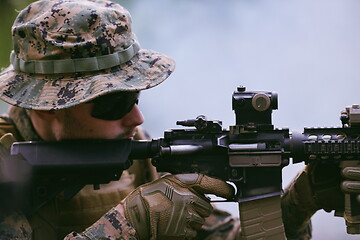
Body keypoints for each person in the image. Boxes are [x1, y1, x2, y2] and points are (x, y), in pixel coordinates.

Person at [0, 0, 359, 239]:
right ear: (47, 105)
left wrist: (300, 201)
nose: (136, 117)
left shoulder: (134, 150)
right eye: (113, 104)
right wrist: (129, 225)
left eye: (135, 97)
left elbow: (221, 236)